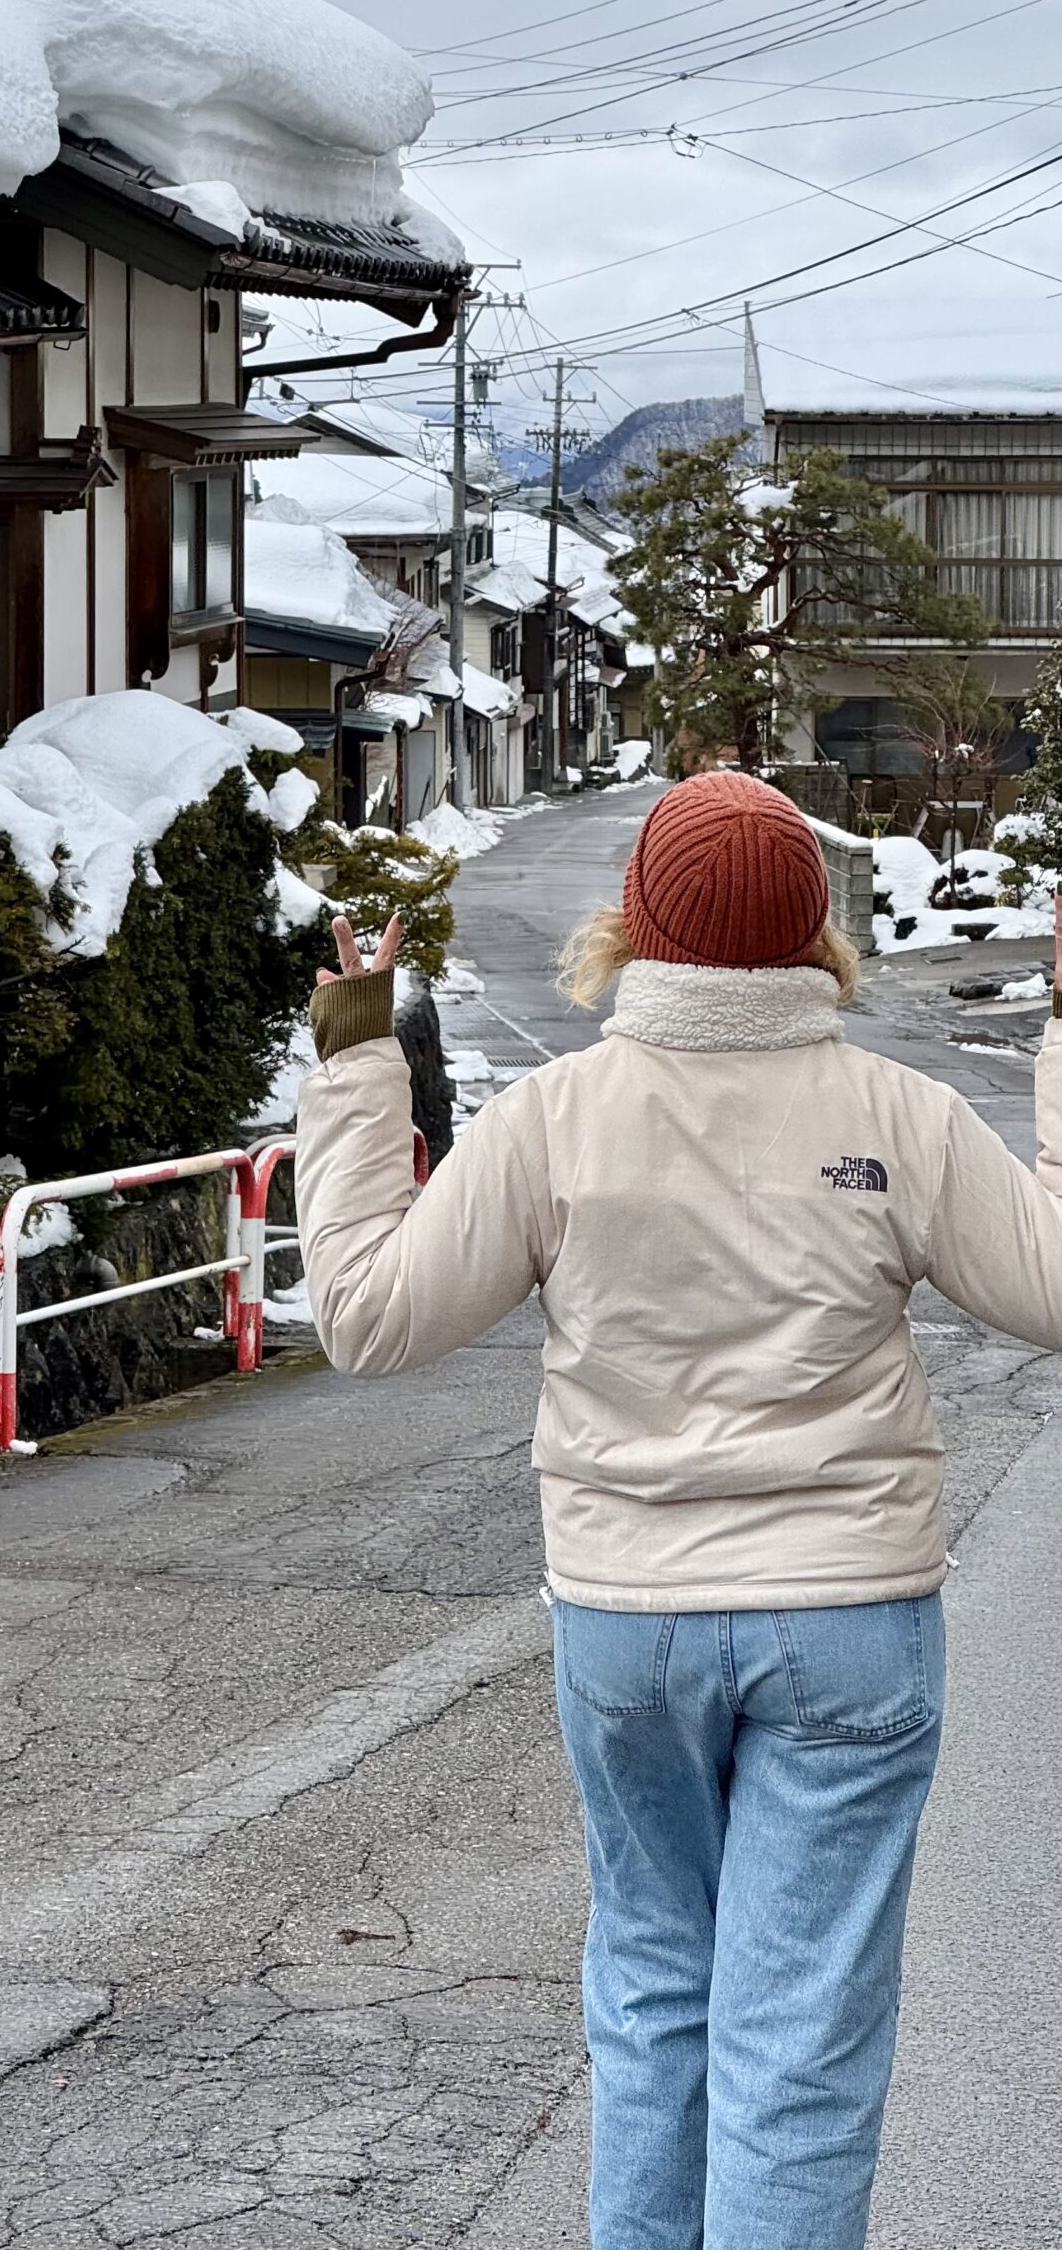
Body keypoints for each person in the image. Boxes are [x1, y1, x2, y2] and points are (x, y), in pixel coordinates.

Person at [294, 769, 1062, 2250]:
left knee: (653, 1989)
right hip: (849, 1619)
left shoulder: (556, 1117)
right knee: (803, 2028)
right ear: (817, 931)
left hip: (626, 1623)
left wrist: (355, 1054)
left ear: (635, 922)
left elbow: (370, 1319)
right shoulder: (896, 1114)